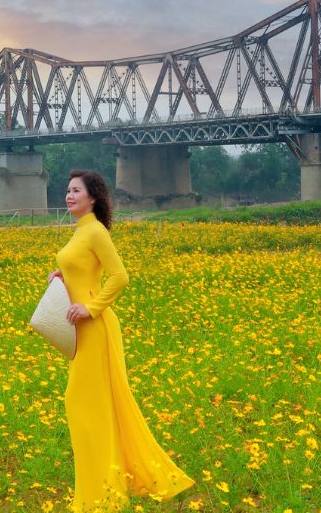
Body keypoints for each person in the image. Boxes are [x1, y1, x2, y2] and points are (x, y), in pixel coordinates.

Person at [47, 169, 194, 512]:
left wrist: (92, 308)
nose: (69, 196)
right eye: (67, 191)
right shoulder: (81, 231)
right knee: (87, 407)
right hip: (81, 330)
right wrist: (63, 276)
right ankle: (100, 488)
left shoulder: (95, 231)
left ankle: (101, 495)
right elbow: (85, 271)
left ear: (92, 198)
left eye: (76, 191)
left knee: (86, 407)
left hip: (95, 330)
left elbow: (120, 276)